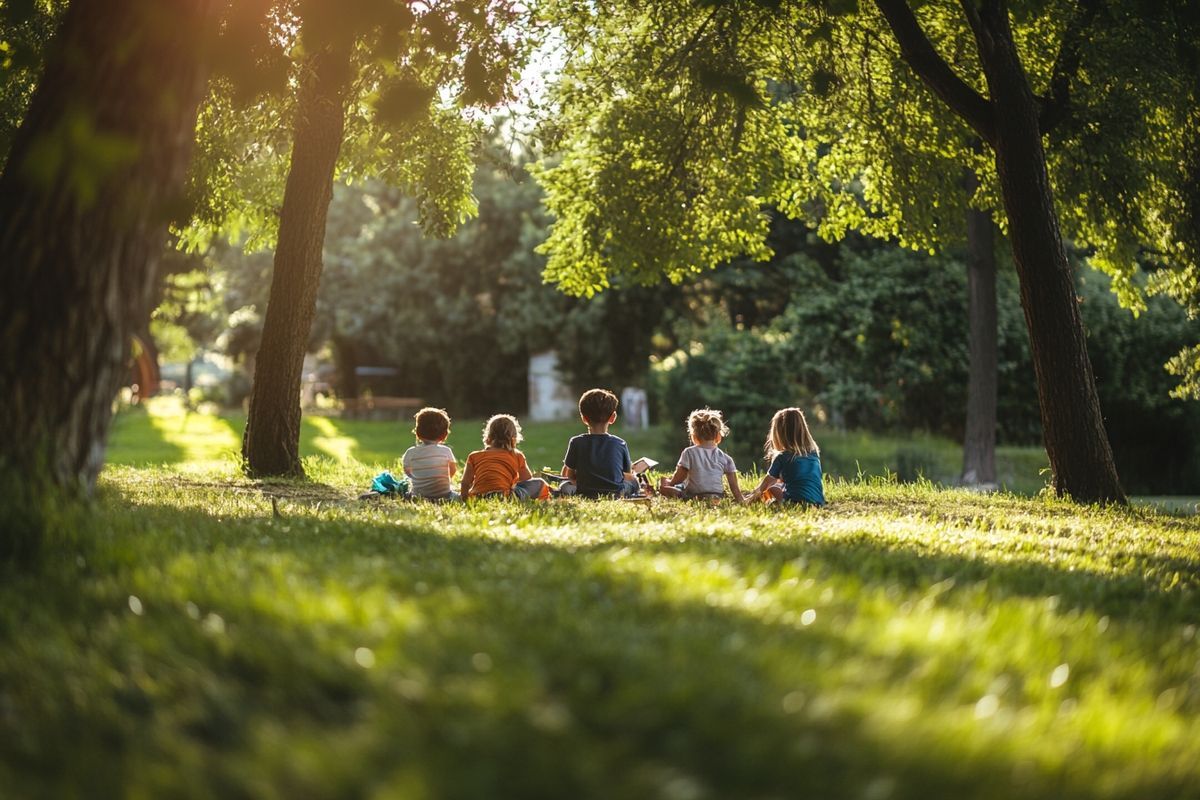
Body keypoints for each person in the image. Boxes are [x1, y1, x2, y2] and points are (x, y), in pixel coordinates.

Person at [560, 388, 642, 498]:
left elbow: (568, 475)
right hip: (616, 493)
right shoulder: (620, 443)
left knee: (564, 485)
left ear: (583, 418)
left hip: (584, 491)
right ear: (613, 418)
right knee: (634, 481)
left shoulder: (576, 442)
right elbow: (627, 475)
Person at [658, 408, 744, 502]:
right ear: (718, 437)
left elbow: (680, 476)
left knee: (666, 488)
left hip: (693, 496)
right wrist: (741, 500)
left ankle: (667, 489)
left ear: (694, 437)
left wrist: (670, 483)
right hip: (717, 497)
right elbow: (734, 488)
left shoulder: (689, 452)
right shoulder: (727, 459)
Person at [745, 407, 826, 506]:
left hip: (794, 502)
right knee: (779, 485)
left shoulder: (782, 456)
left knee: (771, 491)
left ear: (779, 433)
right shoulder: (814, 453)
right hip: (818, 502)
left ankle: (764, 501)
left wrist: (751, 497)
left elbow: (765, 484)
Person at [460, 414, 548, 500]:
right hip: (504, 496)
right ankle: (550, 496)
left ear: (488, 437)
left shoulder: (474, 456)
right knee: (539, 483)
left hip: (478, 497)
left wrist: (464, 498)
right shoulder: (517, 455)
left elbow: (465, 483)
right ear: (514, 439)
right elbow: (527, 479)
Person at [401, 407, 459, 501]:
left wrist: (417, 477)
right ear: (444, 436)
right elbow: (453, 469)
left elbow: (407, 471)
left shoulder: (410, 452)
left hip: (419, 495)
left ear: (417, 433)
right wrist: (445, 479)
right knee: (456, 495)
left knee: (408, 492)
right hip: (443, 493)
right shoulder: (446, 451)